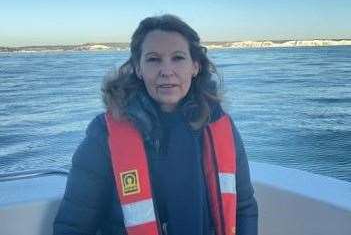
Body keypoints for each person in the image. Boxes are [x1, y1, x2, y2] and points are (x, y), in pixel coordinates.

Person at [53, 14, 258, 235]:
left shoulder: (221, 126)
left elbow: (244, 207)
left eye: (178, 58)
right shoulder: (104, 135)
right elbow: (74, 224)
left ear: (195, 66)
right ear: (138, 68)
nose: (166, 71)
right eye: (153, 59)